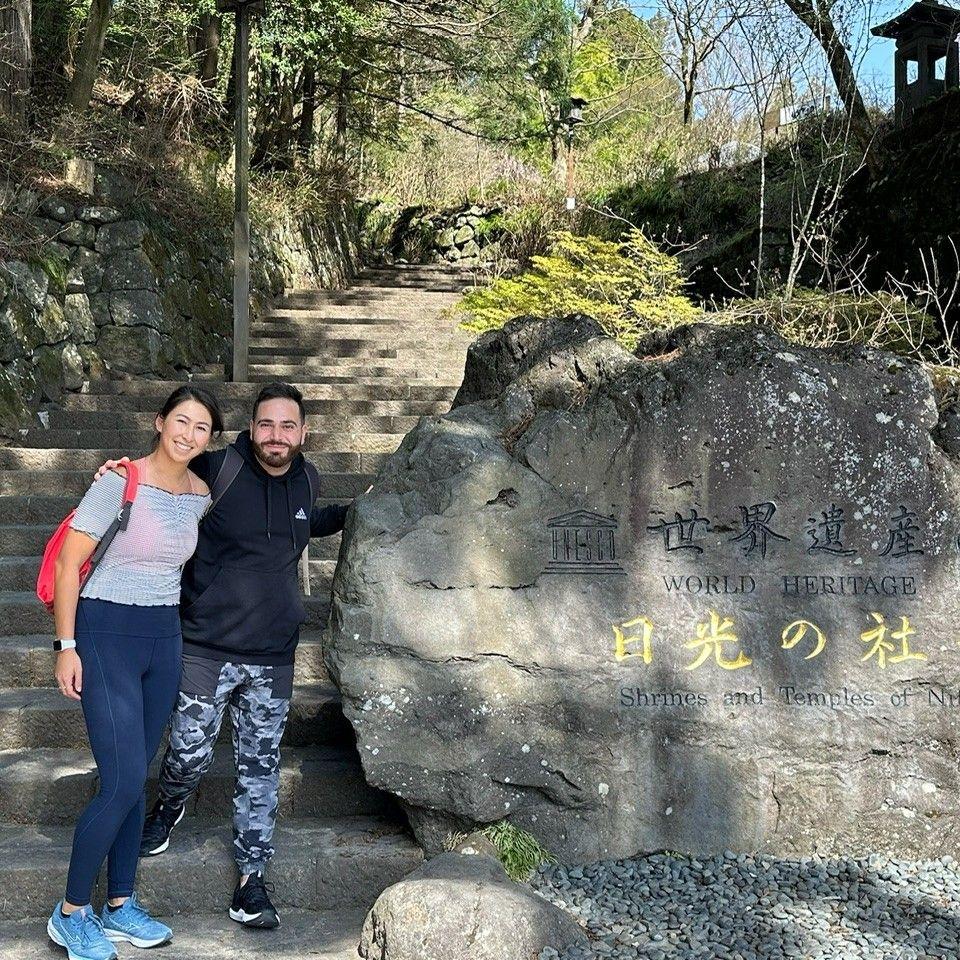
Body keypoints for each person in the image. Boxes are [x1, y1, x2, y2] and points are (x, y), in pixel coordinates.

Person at [96, 381, 361, 930]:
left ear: (303, 433)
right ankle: (169, 806)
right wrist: (119, 474)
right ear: (251, 428)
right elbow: (165, 477)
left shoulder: (308, 479)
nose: (276, 436)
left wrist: (360, 510)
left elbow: (302, 521)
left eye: (288, 426)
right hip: (205, 648)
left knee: (260, 770)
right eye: (266, 425)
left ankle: (251, 881)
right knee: (188, 755)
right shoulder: (221, 470)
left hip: (274, 656)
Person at [47, 385, 223, 960]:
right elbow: (72, 565)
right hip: (105, 634)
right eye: (181, 421)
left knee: (135, 778)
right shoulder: (117, 481)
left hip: (162, 639)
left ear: (210, 439)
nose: (189, 434)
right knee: (121, 781)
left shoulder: (201, 493)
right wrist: (65, 645)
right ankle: (71, 914)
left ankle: (120, 904)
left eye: (201, 427)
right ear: (159, 421)